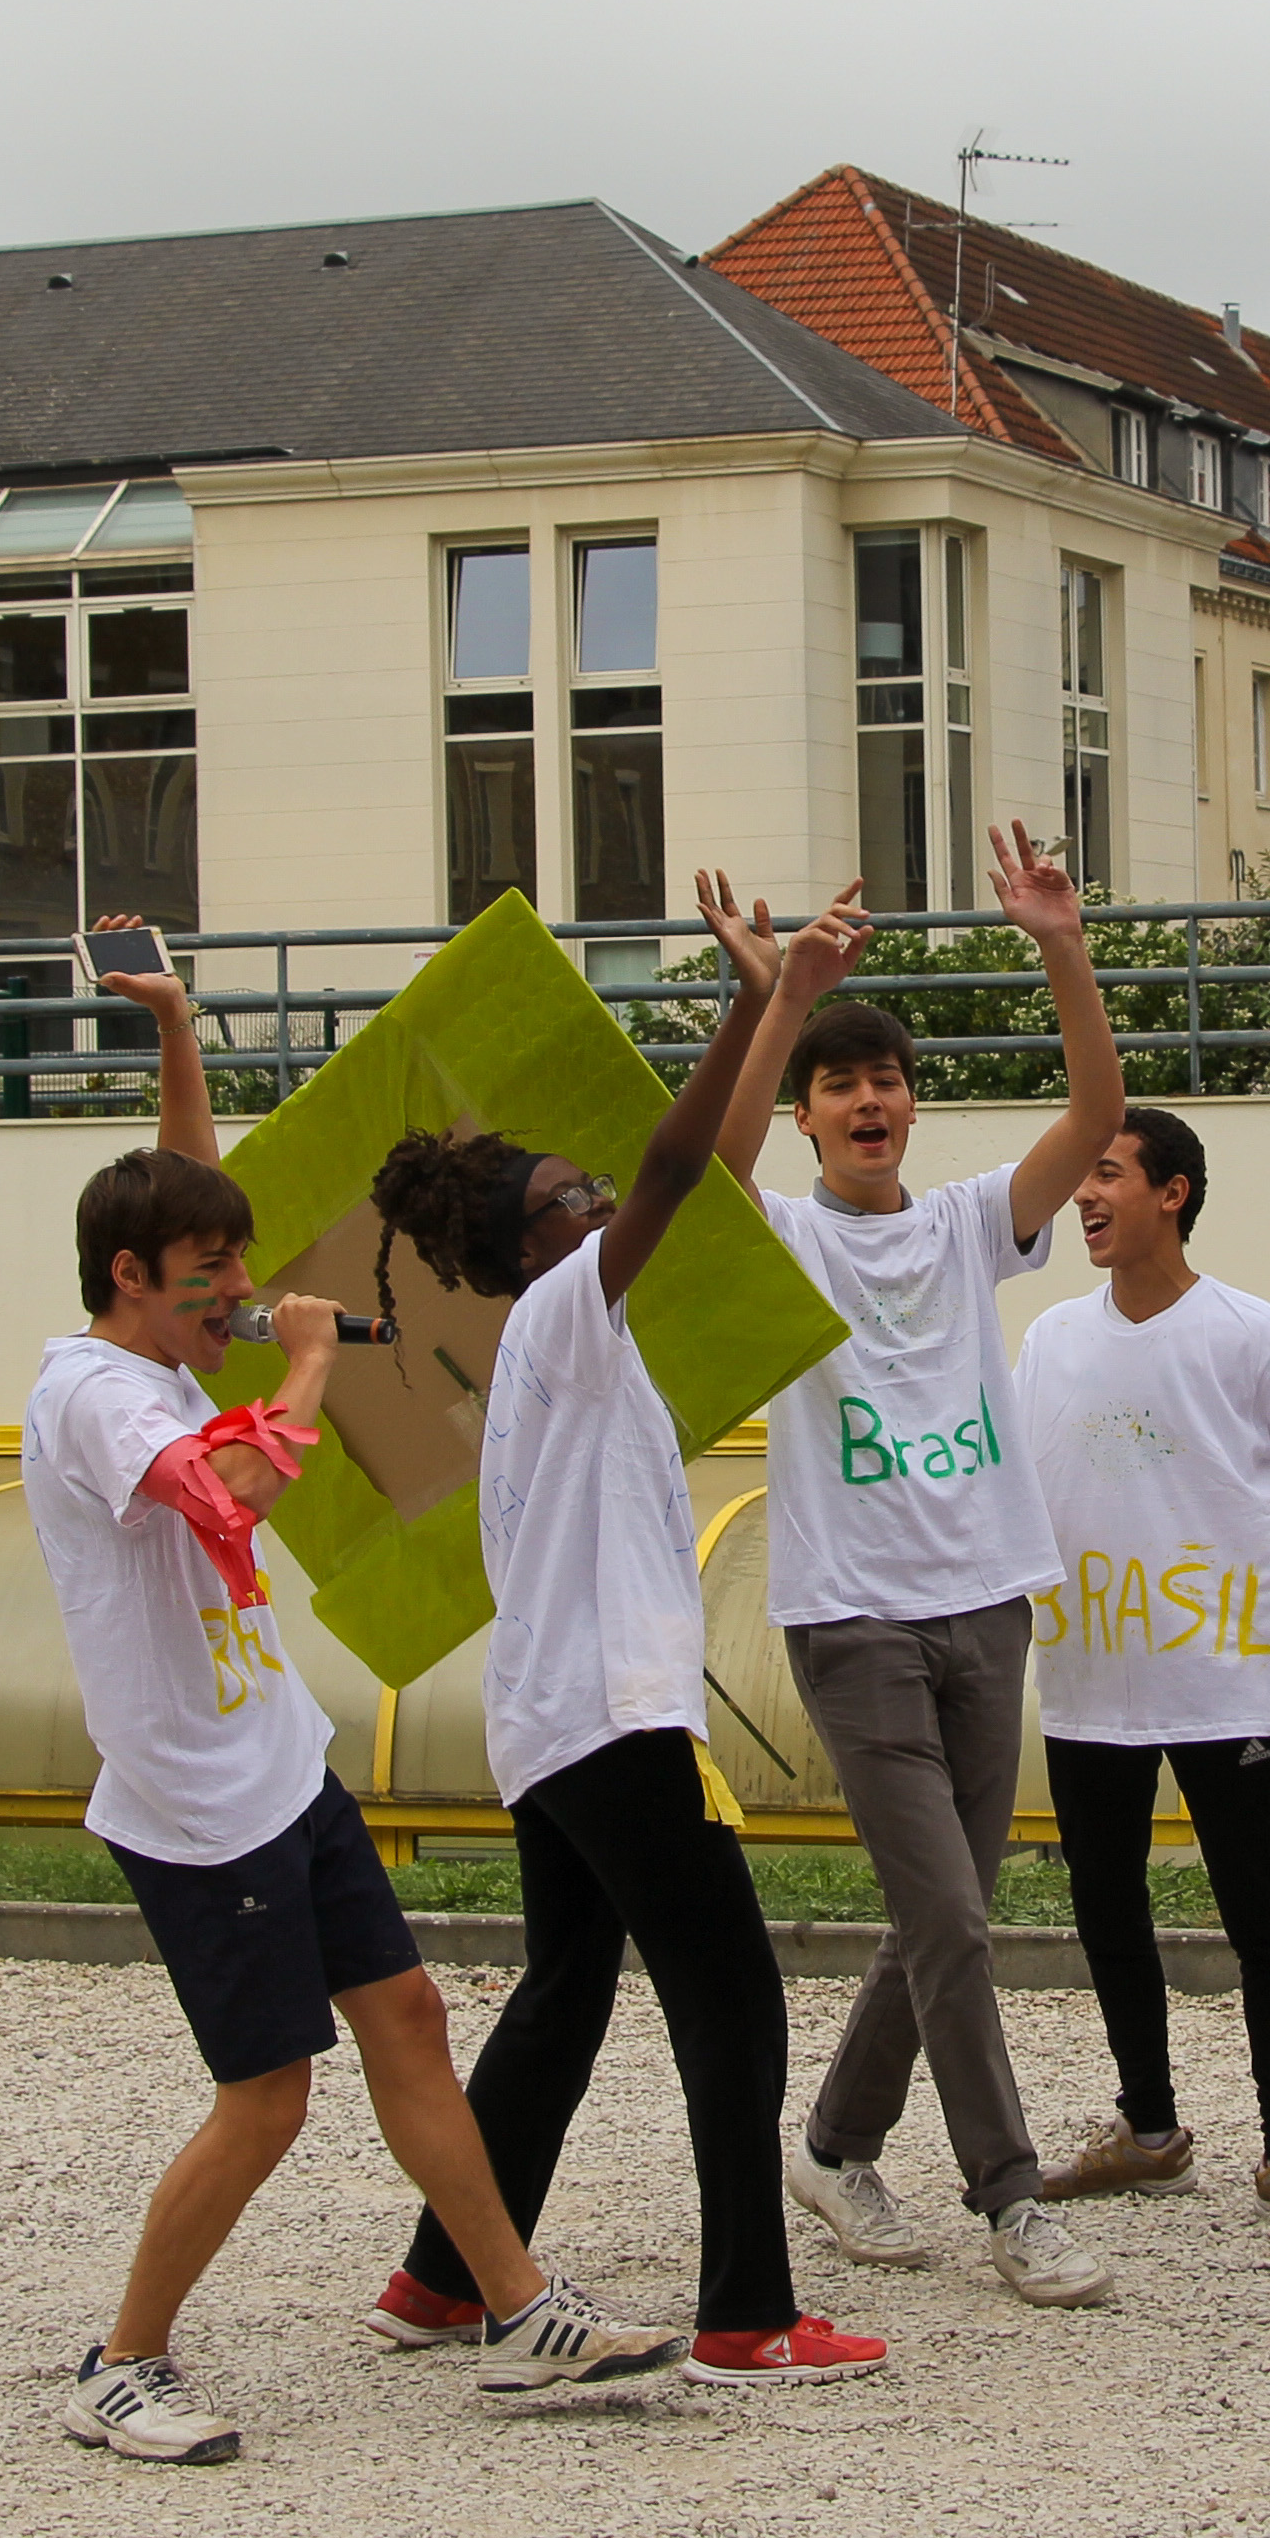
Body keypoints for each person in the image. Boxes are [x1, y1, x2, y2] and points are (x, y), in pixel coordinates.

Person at [30, 964, 687, 2464]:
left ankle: (516, 2310)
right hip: (199, 1808)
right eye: (209, 1270)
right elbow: (236, 1493)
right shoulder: (97, 1400)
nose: (237, 1290)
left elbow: (185, 1200)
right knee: (266, 2102)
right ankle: (123, 2362)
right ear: (133, 1278)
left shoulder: (154, 1354)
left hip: (274, 1765)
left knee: (406, 2013)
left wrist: (180, 1032)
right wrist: (312, 1363)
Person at [352, 905, 899, 2390]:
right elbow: (674, 1170)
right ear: (533, 1241)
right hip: (610, 1719)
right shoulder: (564, 1316)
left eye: (594, 1191)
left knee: (567, 1994)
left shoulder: (562, 1334)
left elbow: (699, 1183)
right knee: (733, 1997)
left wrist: (781, 1003)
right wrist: (745, 1005)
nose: (601, 1201)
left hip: (551, 1723)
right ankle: (748, 2315)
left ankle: (442, 2277)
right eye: (571, 1195)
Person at [690, 827, 1130, 2309]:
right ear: (813, 1117)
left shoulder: (963, 1228)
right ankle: (1011, 2199)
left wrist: (1060, 944)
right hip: (854, 1618)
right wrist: (771, 1005)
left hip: (985, 1603)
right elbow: (708, 1168)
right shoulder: (784, 1237)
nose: (868, 1098)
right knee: (948, 1915)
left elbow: (1098, 1110)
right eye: (841, 1081)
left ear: (911, 1106)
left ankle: (831, 2143)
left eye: (885, 1079)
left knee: (943, 1913)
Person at [1009, 1104, 1270, 2237]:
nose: (1085, 1199)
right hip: (1089, 1675)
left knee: (1257, 1907)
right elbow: (1013, 1489)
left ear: (1171, 1192)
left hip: (1221, 1674)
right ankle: (1149, 2131)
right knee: (1105, 1900)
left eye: (1107, 1176)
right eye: (1082, 1181)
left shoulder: (1250, 1333)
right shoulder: (1049, 1341)